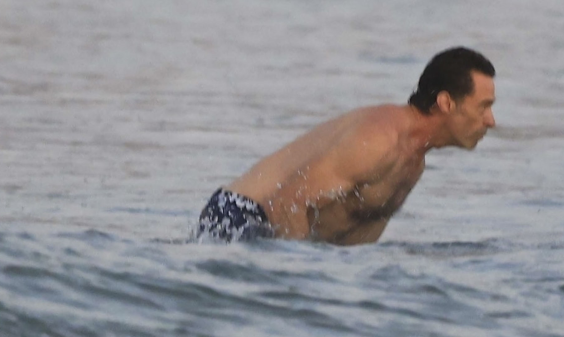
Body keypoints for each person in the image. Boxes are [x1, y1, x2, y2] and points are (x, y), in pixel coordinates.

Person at [196, 47, 496, 245]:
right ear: (446, 103)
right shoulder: (379, 141)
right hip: (241, 213)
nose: (491, 121)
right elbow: (288, 201)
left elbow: (351, 248)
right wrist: (300, 279)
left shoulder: (412, 165)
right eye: (483, 107)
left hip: (277, 230)